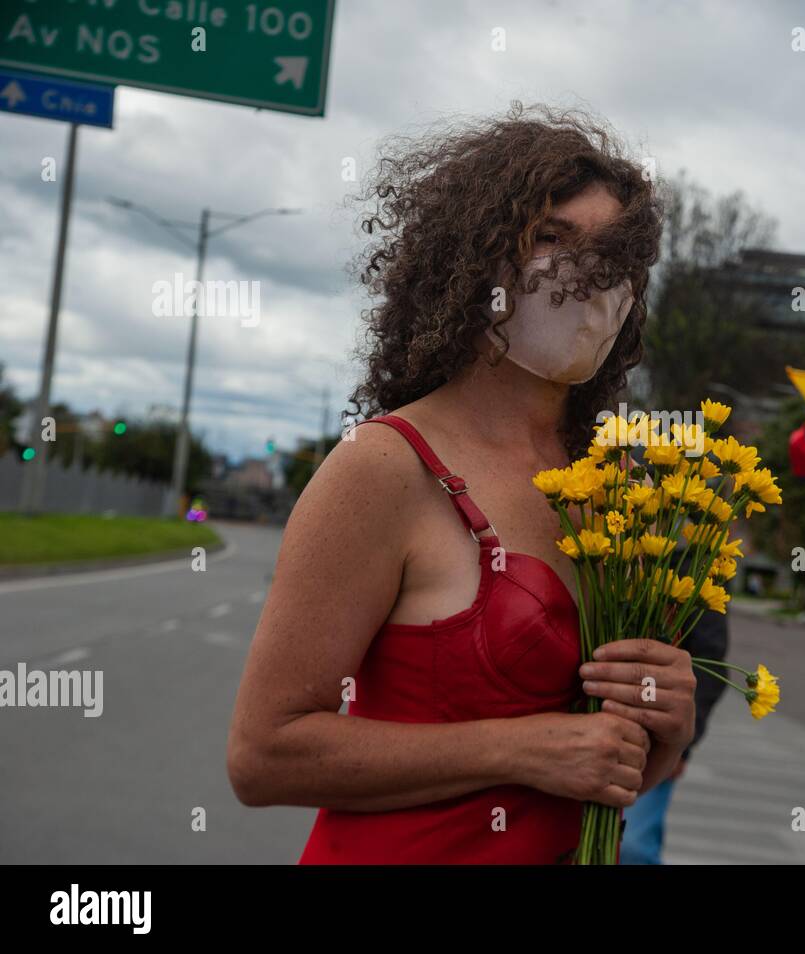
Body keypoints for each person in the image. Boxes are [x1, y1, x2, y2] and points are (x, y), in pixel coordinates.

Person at [225, 104, 697, 864]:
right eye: (551, 238)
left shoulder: (626, 487)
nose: (585, 275)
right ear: (473, 255)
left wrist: (666, 728)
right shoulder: (385, 466)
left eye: (615, 256)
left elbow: (614, 770)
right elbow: (263, 755)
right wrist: (519, 749)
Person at [620, 607, 729, 864]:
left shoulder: (700, 569)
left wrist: (681, 744)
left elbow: (710, 658)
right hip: (582, 726)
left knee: (632, 847)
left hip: (652, 742)